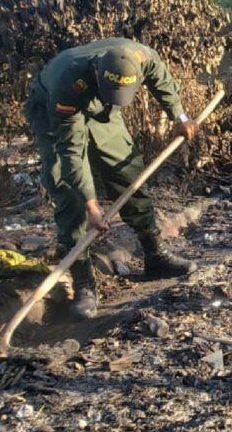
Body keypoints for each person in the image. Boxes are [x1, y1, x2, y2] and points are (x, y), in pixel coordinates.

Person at [24, 38, 201, 318]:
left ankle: (155, 255)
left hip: (101, 107)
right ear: (97, 74)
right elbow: (72, 151)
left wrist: (179, 116)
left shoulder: (140, 57)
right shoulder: (68, 83)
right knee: (66, 185)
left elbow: (162, 80)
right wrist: (91, 204)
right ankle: (83, 281)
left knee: (127, 171)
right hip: (52, 110)